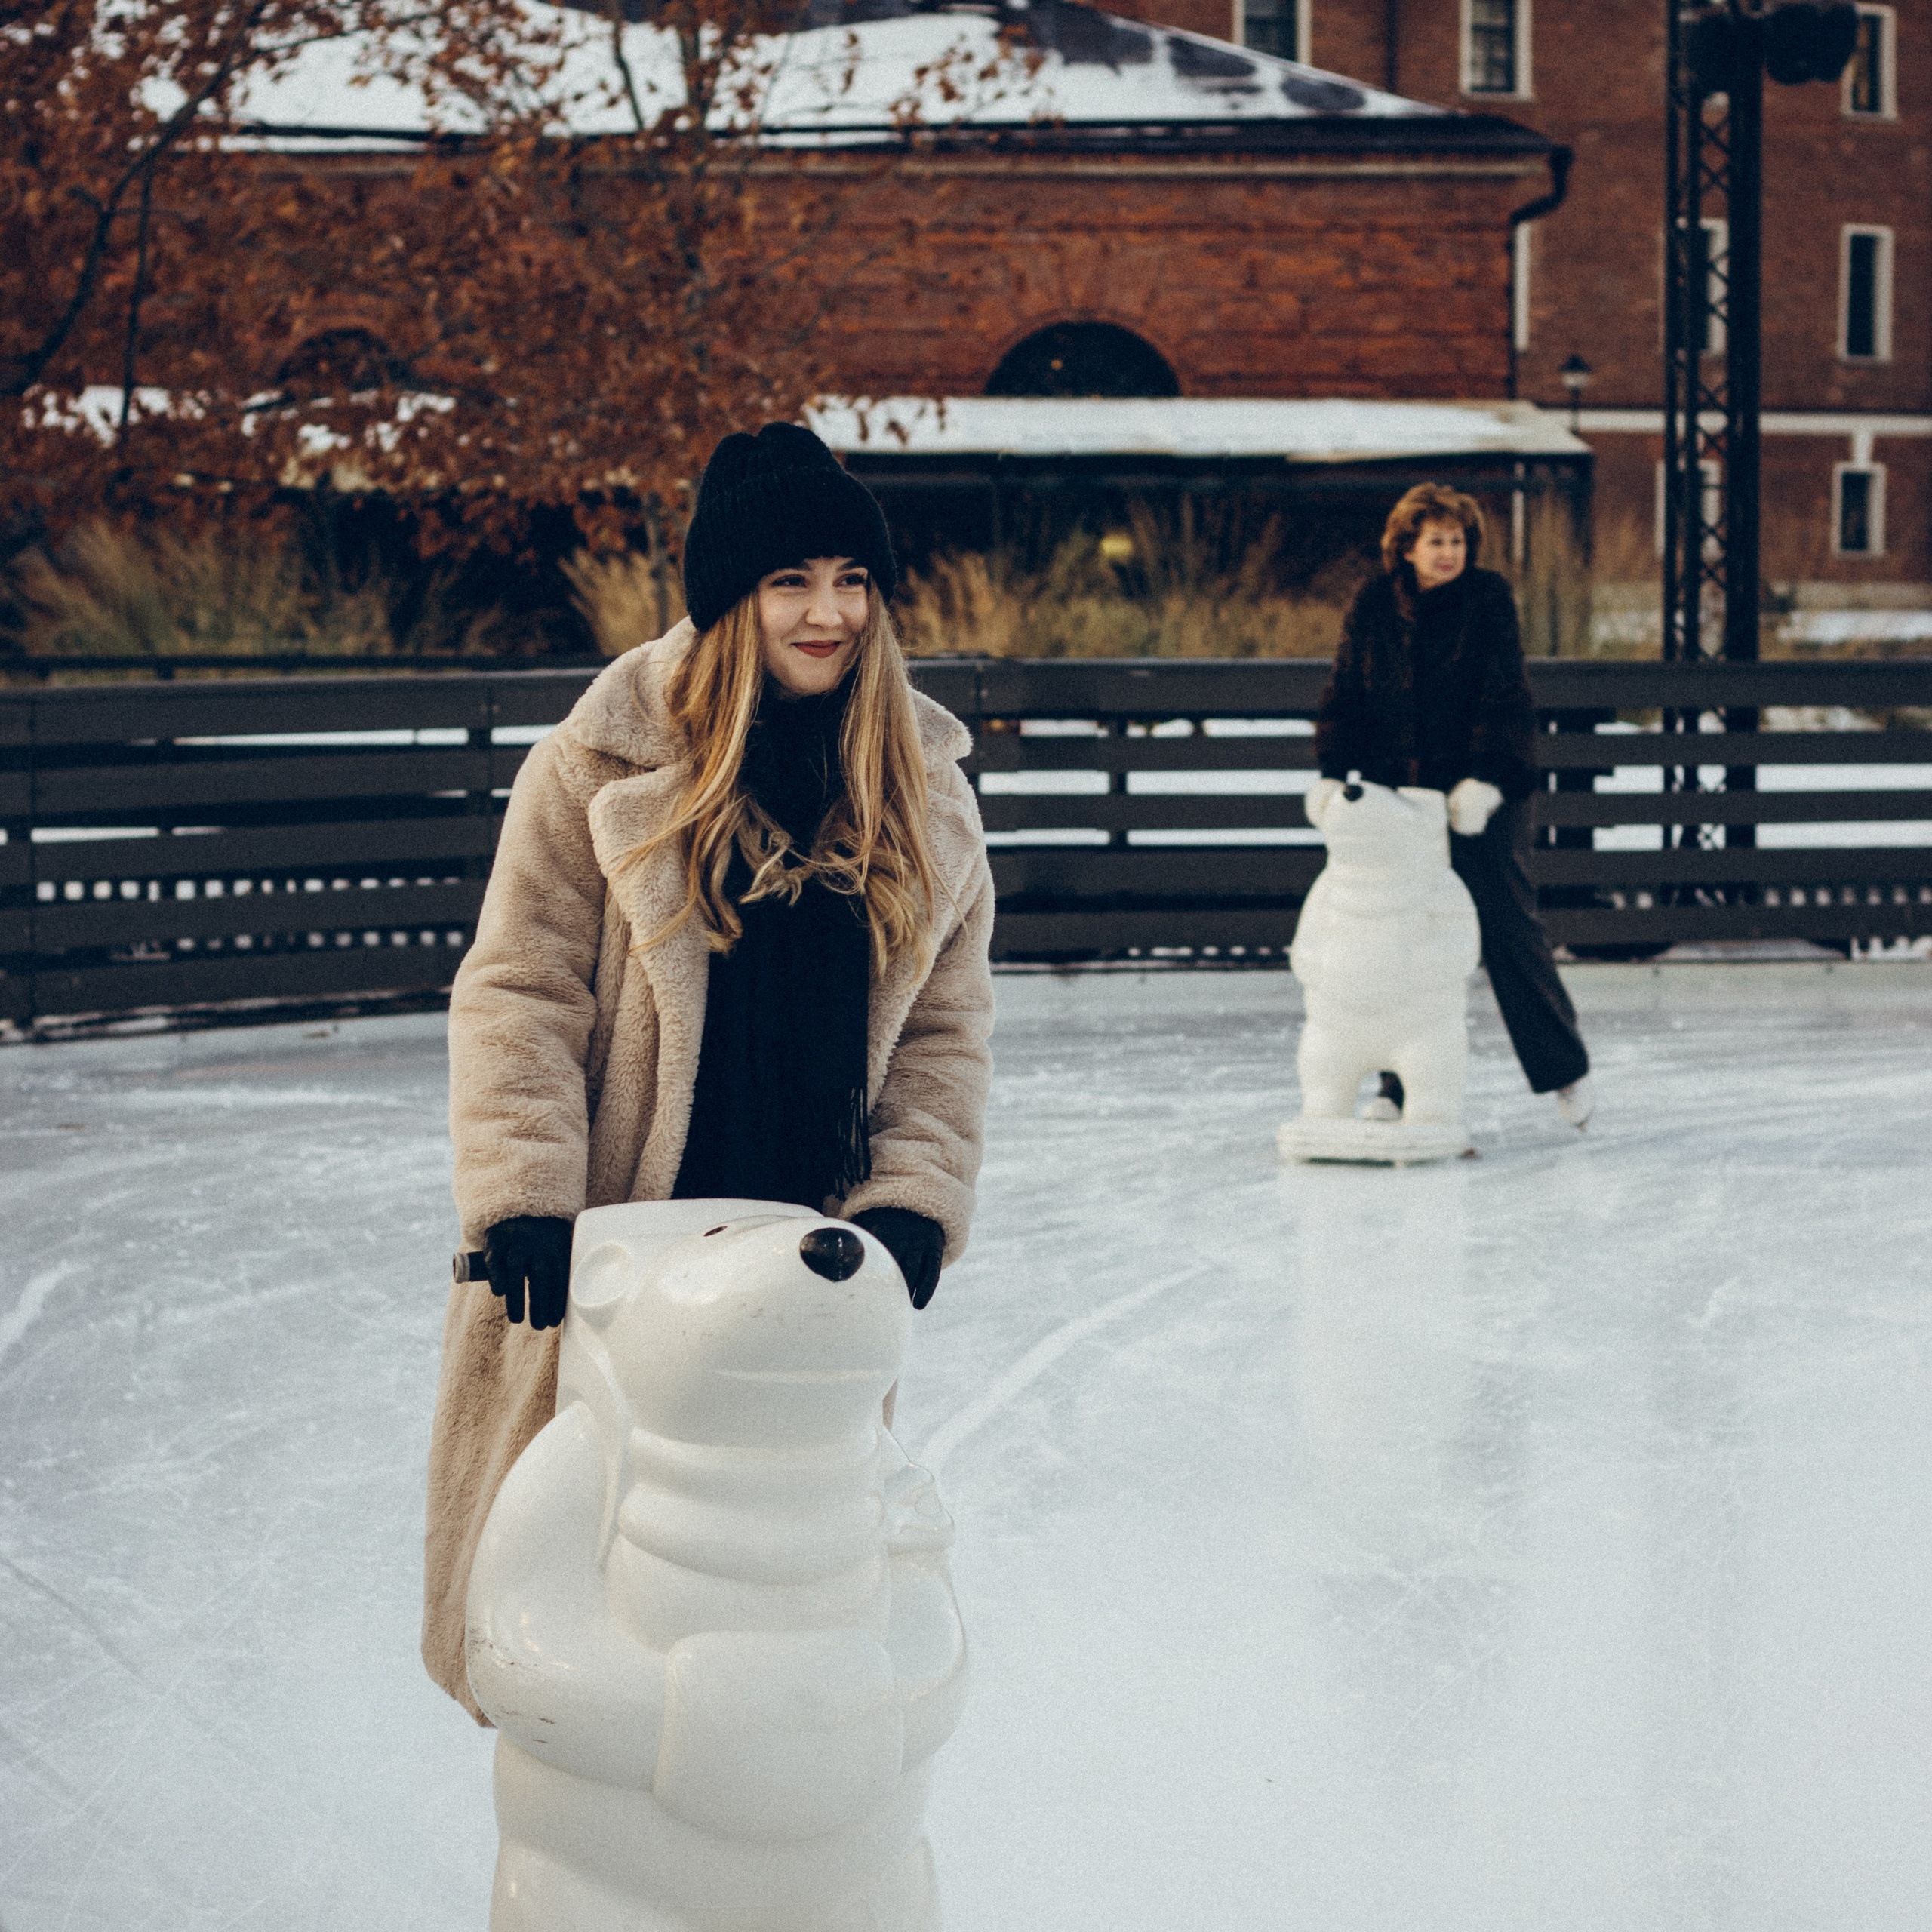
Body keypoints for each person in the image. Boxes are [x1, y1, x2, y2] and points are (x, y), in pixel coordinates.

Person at [420, 422, 995, 1720]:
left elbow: (948, 1033)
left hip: (811, 1255)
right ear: (734, 595)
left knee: (780, 1592)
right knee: (591, 1593)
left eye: (853, 579)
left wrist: (911, 1197)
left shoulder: (923, 791)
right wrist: (522, 1197)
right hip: (619, 1248)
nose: (830, 611)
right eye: (792, 580)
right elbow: (520, 988)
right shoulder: (600, 765)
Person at [1310, 481, 1592, 1128]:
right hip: (1400, 798)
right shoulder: (1374, 603)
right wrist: (1332, 774)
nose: (1448, 553)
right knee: (1396, 937)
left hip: (1481, 794)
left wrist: (1488, 780)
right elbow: (1345, 691)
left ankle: (1565, 1070)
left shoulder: (1487, 599)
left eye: (1457, 541)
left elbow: (1504, 694)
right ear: (1406, 547)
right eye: (1436, 541)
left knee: (1507, 929)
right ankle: (1398, 1086)